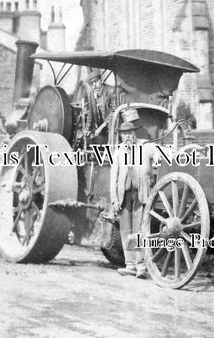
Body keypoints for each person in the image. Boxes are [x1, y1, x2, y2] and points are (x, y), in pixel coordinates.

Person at [110, 121, 157, 279]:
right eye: (125, 134)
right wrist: (114, 199)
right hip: (124, 196)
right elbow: (113, 177)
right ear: (121, 135)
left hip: (140, 195)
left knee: (139, 231)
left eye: (130, 133)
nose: (128, 136)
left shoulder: (145, 147)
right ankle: (129, 265)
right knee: (126, 232)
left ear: (135, 133)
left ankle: (141, 266)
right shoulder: (118, 151)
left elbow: (159, 154)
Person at [85, 69, 117, 138]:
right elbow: (91, 112)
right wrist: (88, 129)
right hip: (101, 124)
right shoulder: (91, 94)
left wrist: (101, 127)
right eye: (91, 83)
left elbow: (114, 112)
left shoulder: (111, 91)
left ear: (101, 80)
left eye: (96, 81)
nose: (94, 85)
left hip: (111, 123)